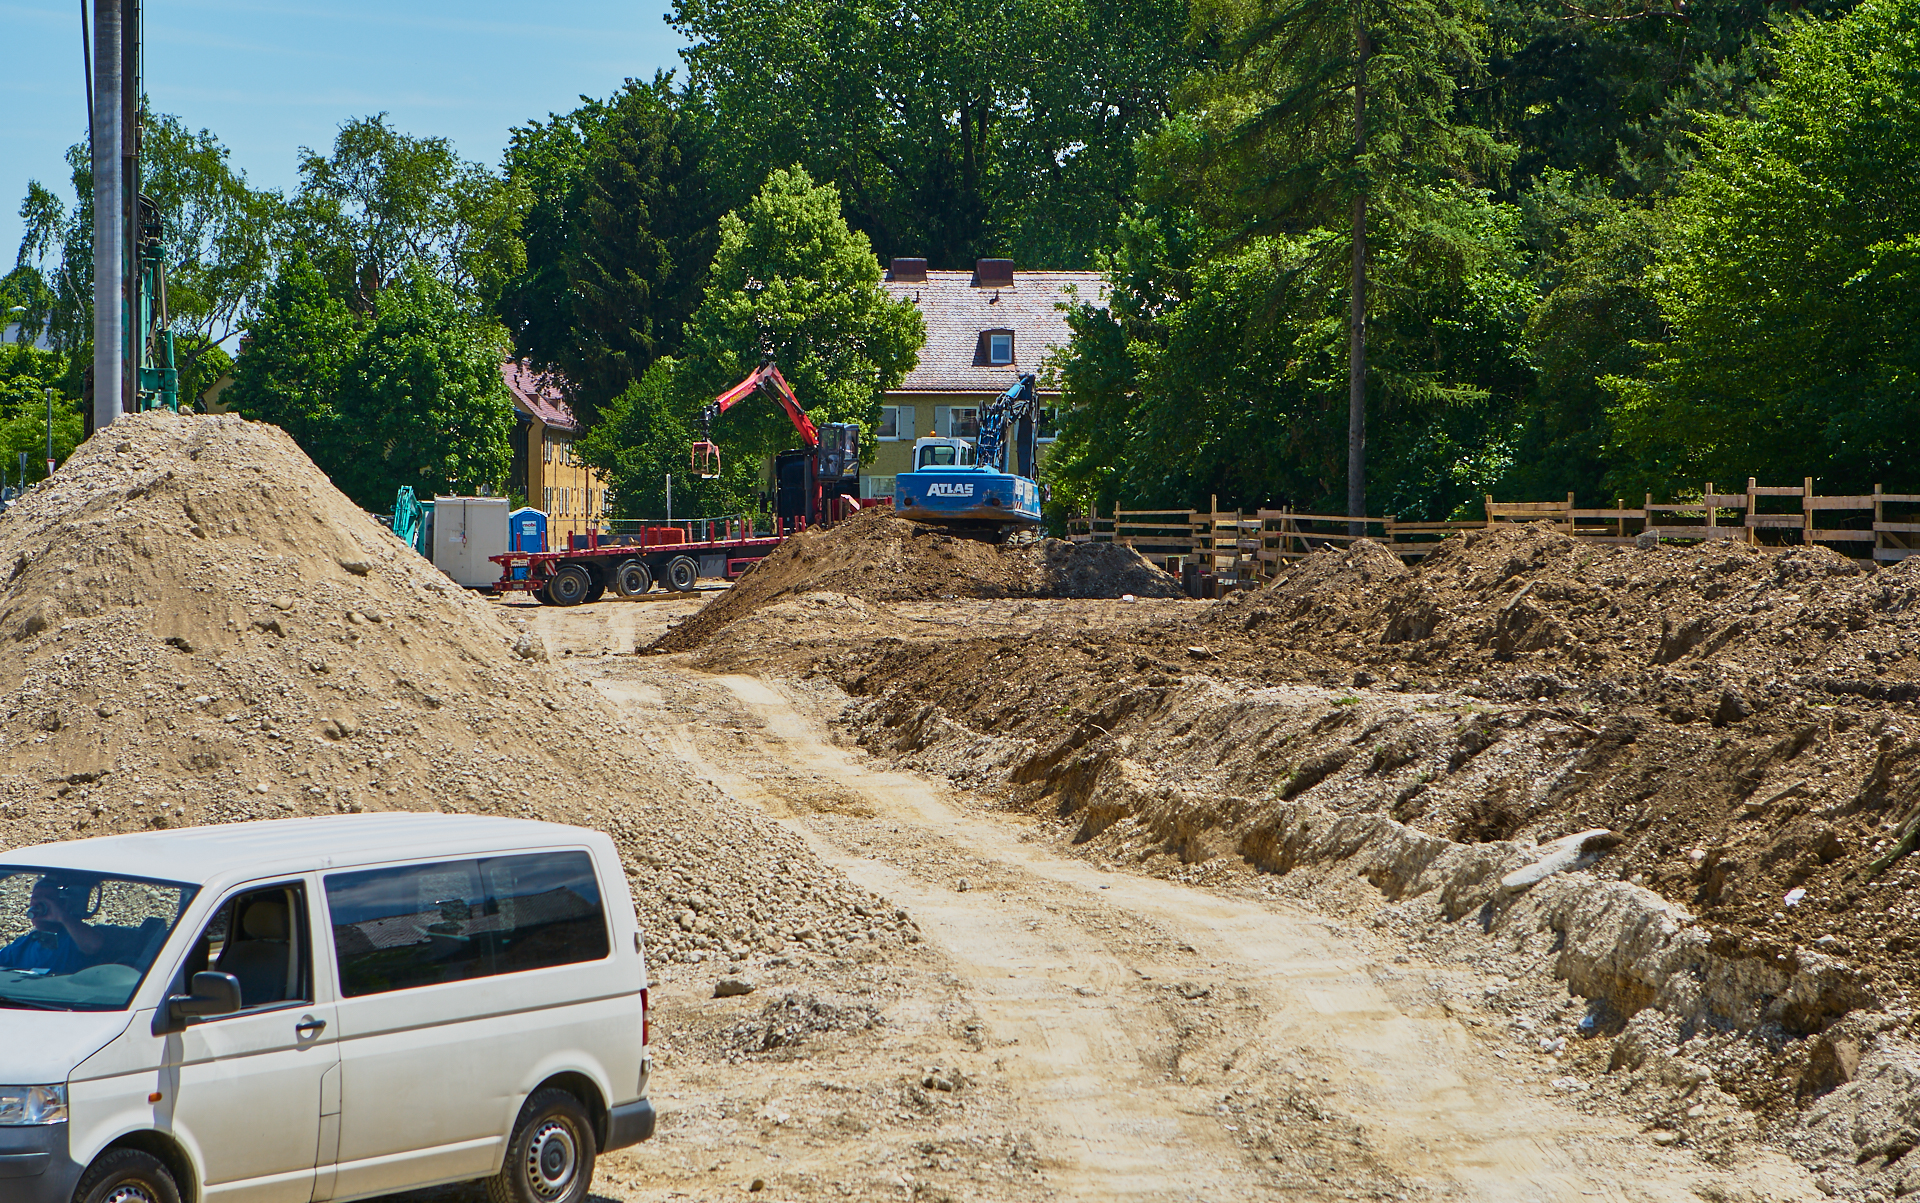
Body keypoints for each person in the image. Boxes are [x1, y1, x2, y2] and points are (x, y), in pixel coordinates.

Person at [0, 875, 111, 973]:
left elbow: (93, 946)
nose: (38, 905)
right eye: (35, 899)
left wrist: (62, 917)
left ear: (63, 905)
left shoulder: (73, 939)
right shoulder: (25, 944)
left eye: (48, 899)